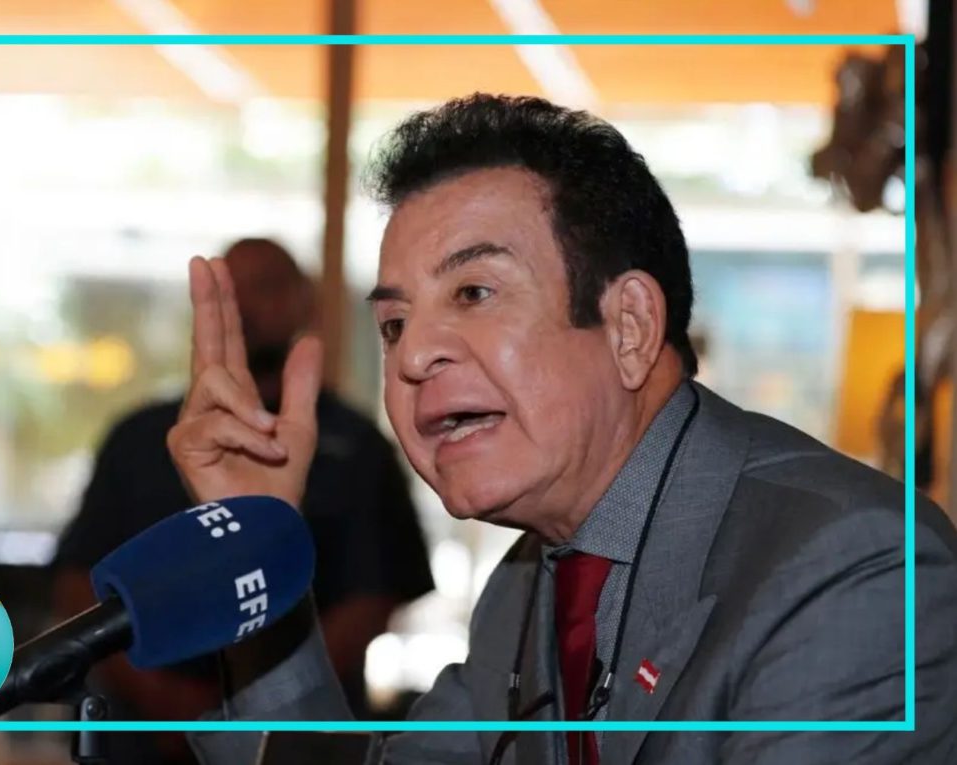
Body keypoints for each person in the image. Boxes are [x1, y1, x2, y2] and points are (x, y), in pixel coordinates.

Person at [174, 96, 957, 764]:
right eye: (393, 324)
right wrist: (252, 547)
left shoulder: (857, 568)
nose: (412, 355)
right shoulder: (527, 587)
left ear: (629, 326)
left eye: (473, 292)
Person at [52, 238, 435, 764]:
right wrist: (162, 698)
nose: (250, 307)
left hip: (301, 736)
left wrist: (255, 688)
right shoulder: (139, 437)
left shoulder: (360, 449)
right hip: (139, 737)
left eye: (267, 288)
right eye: (232, 293)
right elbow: (77, 578)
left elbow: (376, 594)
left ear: (304, 302)